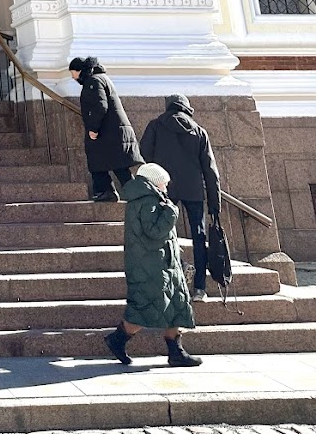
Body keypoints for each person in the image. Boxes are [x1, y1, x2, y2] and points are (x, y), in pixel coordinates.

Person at [105, 162, 201, 368]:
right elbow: (154, 232)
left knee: (174, 305)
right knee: (145, 308)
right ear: (156, 183)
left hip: (162, 264)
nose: (166, 188)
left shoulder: (149, 198)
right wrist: (171, 213)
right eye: (164, 184)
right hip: (151, 266)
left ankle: (176, 351)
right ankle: (117, 339)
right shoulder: (147, 200)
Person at [140, 94, 221, 302]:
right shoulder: (199, 131)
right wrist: (214, 203)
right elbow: (210, 171)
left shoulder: (156, 126)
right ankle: (200, 289)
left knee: (163, 234)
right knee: (199, 237)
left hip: (164, 189)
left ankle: (172, 279)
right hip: (193, 190)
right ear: (186, 108)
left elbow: (144, 154)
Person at [69, 55, 142, 201]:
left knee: (102, 163)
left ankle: (109, 192)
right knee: (115, 166)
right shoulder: (100, 78)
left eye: (73, 73)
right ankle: (134, 195)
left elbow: (100, 106)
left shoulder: (93, 81)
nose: (73, 78)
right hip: (113, 133)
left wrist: (93, 128)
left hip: (106, 133)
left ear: (79, 70)